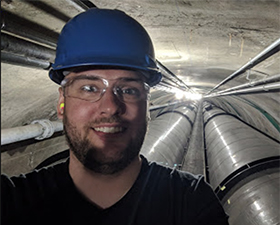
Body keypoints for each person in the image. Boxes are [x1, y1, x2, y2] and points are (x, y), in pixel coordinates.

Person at [1, 8, 229, 225]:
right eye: (89, 88)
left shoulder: (192, 204)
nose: (110, 107)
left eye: (128, 90)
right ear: (61, 103)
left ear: (148, 106)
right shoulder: (11, 203)